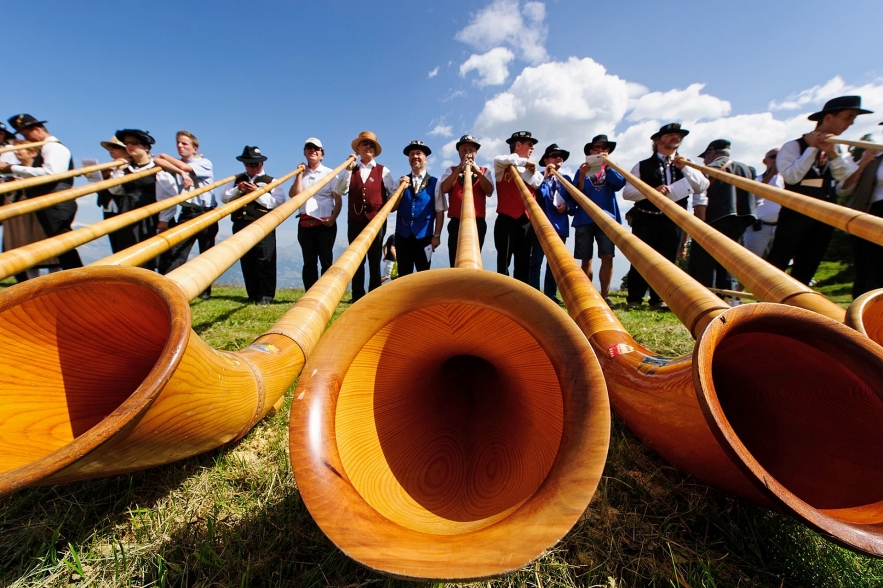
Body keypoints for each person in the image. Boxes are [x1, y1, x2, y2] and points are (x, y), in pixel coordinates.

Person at [766, 95, 870, 285]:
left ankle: (798, 301)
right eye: (848, 117)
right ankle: (766, 300)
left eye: (853, 119)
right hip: (796, 211)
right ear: (829, 117)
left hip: (826, 213)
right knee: (780, 259)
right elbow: (791, 177)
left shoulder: (839, 148)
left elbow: (844, 176)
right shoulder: (793, 146)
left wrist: (831, 153)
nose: (850, 123)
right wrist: (812, 148)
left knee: (809, 262)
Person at [622, 123, 709, 309]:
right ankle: (635, 298)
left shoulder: (687, 164)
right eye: (669, 135)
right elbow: (627, 193)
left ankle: (659, 299)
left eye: (678, 135)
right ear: (657, 141)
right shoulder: (642, 165)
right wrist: (650, 192)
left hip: (673, 220)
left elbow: (701, 186)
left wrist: (685, 167)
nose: (675, 137)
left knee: (667, 261)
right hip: (646, 218)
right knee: (640, 258)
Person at [0, 114, 83, 270]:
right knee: (58, 245)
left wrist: (12, 168)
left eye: (26, 135)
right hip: (51, 201)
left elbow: (51, 173)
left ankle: (79, 279)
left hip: (56, 202)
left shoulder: (53, 147)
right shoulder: (46, 148)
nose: (26, 139)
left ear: (37, 130)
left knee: (62, 245)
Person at [333, 131, 399, 303]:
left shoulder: (383, 171)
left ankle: (374, 296)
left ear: (375, 151)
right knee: (356, 259)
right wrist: (348, 170)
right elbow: (340, 190)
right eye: (365, 144)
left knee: (374, 258)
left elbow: (393, 193)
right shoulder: (351, 169)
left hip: (376, 221)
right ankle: (357, 295)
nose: (368, 147)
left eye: (371, 145)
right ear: (358, 148)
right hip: (355, 220)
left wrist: (384, 210)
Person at [154, 131, 217, 299]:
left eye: (184, 143)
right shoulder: (177, 164)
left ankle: (204, 291)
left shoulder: (204, 162)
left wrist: (176, 165)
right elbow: (158, 160)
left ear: (195, 148)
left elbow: (183, 166)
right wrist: (181, 173)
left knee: (206, 253)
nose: (180, 146)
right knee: (177, 251)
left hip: (206, 212)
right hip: (187, 212)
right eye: (178, 143)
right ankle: (171, 289)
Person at [687, 139, 756, 290]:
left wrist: (700, 224)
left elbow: (700, 197)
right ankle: (727, 295)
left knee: (704, 261)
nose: (704, 161)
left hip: (714, 219)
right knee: (728, 259)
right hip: (742, 220)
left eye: (705, 157)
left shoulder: (708, 169)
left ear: (712, 153)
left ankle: (705, 295)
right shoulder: (747, 169)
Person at [105, 129, 179, 269]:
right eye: (127, 143)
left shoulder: (158, 169)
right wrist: (119, 170)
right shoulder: (125, 169)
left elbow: (168, 197)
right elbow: (115, 190)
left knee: (150, 254)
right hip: (127, 214)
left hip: (150, 217)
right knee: (127, 252)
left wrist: (163, 220)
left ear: (146, 147)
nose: (129, 146)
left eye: (134, 143)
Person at [222, 146, 286, 305]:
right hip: (240, 224)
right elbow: (224, 197)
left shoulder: (272, 181)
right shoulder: (237, 180)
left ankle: (266, 296)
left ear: (262, 164)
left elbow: (278, 202)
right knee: (247, 260)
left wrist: (257, 193)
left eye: (255, 164)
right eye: (248, 164)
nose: (251, 167)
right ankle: (253, 294)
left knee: (264, 259)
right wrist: (238, 190)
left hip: (263, 225)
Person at [573, 134, 625, 303]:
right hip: (584, 218)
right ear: (590, 151)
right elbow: (576, 193)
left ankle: (604, 296)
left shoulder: (613, 168)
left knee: (607, 255)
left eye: (604, 148)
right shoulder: (582, 170)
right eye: (596, 148)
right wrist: (582, 175)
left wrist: (607, 166)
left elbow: (619, 184)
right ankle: (588, 296)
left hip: (607, 218)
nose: (600, 151)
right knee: (586, 258)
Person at [2, 141, 61, 279]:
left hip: (36, 213)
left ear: (33, 152)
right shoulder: (12, 171)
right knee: (23, 246)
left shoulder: (37, 170)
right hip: (17, 214)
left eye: (20, 149)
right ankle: (31, 282)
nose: (16, 152)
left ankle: (56, 282)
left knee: (46, 249)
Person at [838, 121, 883, 298]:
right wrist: (863, 164)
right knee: (867, 266)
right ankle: (866, 308)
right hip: (872, 212)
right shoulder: (874, 156)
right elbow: (844, 189)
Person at [290, 137, 341, 291]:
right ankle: (310, 293)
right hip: (305, 223)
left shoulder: (330, 173)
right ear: (304, 152)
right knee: (309, 261)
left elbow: (338, 199)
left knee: (326, 261)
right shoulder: (300, 174)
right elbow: (294, 195)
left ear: (322, 154)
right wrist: (299, 174)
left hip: (325, 223)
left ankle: (325, 292)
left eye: (316, 149)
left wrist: (333, 218)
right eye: (309, 148)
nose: (313, 150)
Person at [493, 131, 543, 282]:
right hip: (506, 219)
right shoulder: (502, 165)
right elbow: (499, 159)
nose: (532, 148)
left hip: (526, 221)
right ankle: (501, 292)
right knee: (504, 262)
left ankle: (519, 294)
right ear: (518, 144)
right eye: (530, 144)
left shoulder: (533, 172)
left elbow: (537, 182)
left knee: (523, 263)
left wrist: (527, 167)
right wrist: (524, 163)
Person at [439, 134, 495, 266]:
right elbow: (444, 188)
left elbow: (489, 191)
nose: (468, 153)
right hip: (456, 222)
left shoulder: (484, 171)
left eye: (471, 150)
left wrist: (478, 172)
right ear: (459, 153)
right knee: (454, 259)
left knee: (473, 259)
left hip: (477, 222)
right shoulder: (451, 170)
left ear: (476, 153)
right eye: (464, 150)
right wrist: (459, 168)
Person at [529, 143, 573, 302]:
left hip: (560, 226)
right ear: (546, 160)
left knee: (555, 264)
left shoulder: (567, 179)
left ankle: (551, 295)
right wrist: (546, 177)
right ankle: (534, 294)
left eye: (560, 156)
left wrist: (566, 207)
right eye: (554, 156)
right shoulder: (538, 177)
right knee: (535, 261)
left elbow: (574, 202)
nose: (558, 158)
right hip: (540, 225)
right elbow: (538, 196)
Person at [394, 140, 445, 276]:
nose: (415, 156)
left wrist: (437, 235)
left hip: (424, 237)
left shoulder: (435, 183)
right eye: (411, 154)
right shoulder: (401, 181)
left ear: (425, 159)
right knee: (403, 274)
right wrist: (400, 190)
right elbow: (392, 207)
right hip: (402, 236)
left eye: (418, 153)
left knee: (423, 274)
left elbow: (440, 211)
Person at [743, 148, 783, 259]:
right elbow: (755, 194)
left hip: (780, 227)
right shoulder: (757, 179)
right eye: (774, 157)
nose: (778, 160)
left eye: (780, 156)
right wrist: (772, 174)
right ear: (765, 161)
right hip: (759, 228)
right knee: (752, 261)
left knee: (777, 263)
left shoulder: (787, 180)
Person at [95, 136, 131, 253]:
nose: (110, 149)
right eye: (109, 148)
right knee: (115, 243)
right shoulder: (109, 166)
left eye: (115, 147)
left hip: (124, 209)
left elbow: (119, 190)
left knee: (125, 244)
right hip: (108, 208)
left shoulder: (132, 166)